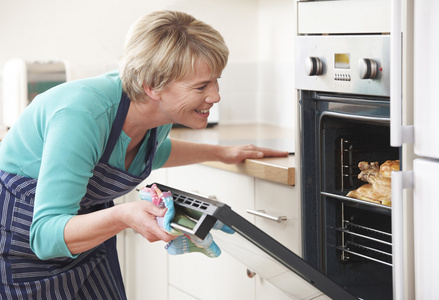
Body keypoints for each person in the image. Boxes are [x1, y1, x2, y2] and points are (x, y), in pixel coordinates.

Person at [0, 10, 288, 299]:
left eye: (216, 81)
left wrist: (224, 152)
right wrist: (124, 215)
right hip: (23, 243)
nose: (216, 96)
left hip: (85, 235)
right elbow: (45, 237)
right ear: (152, 87)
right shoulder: (82, 116)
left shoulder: (154, 115)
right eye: (201, 86)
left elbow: (149, 153)